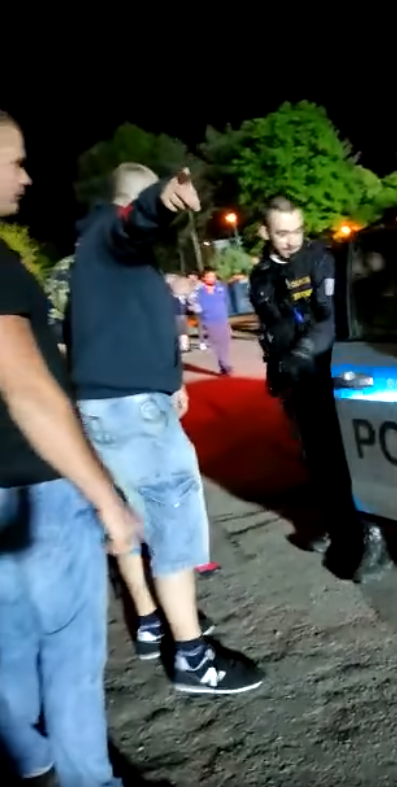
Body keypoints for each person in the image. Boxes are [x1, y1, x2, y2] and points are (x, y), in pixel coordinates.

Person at [66, 162, 263, 694]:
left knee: (135, 518)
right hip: (132, 412)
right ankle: (193, 657)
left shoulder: (98, 259)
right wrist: (159, 201)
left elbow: (127, 328)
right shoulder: (111, 236)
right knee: (173, 522)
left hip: (120, 405)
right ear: (129, 200)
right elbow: (134, 223)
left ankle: (155, 622)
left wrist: (169, 379)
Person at [0, 112, 141, 786]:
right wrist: (105, 497)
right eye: (13, 160)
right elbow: (26, 388)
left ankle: (29, 758)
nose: (25, 176)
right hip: (36, 491)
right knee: (70, 656)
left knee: (10, 647)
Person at [249, 196, 392, 583]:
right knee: (319, 462)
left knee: (346, 459)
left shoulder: (317, 260)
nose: (292, 240)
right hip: (297, 382)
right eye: (282, 233)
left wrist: (303, 351)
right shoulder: (261, 274)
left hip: (329, 374)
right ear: (264, 232)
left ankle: (371, 538)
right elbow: (271, 327)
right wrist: (281, 371)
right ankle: (339, 527)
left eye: (297, 230)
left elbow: (327, 319)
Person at [193, 267, 232, 374]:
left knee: (225, 342)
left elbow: (226, 302)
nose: (212, 278)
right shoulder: (199, 292)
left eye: (213, 276)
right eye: (209, 276)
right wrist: (201, 314)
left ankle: (224, 365)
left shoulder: (220, 289)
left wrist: (227, 318)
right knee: (217, 343)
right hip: (209, 321)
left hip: (222, 319)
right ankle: (224, 364)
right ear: (203, 278)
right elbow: (194, 305)